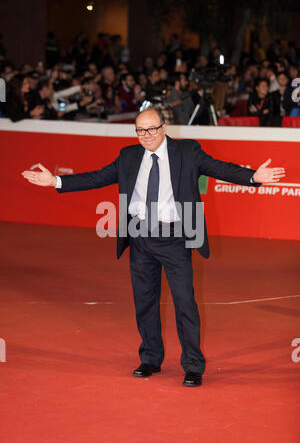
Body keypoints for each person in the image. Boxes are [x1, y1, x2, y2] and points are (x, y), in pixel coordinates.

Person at [21, 108, 286, 387]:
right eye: (140, 130)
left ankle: (193, 366)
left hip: (175, 237)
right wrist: (56, 181)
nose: (146, 136)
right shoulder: (128, 156)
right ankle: (150, 358)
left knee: (185, 303)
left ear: (163, 126)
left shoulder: (187, 151)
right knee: (144, 301)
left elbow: (219, 167)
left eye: (151, 129)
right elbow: (97, 177)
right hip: (139, 236)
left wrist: (253, 177)